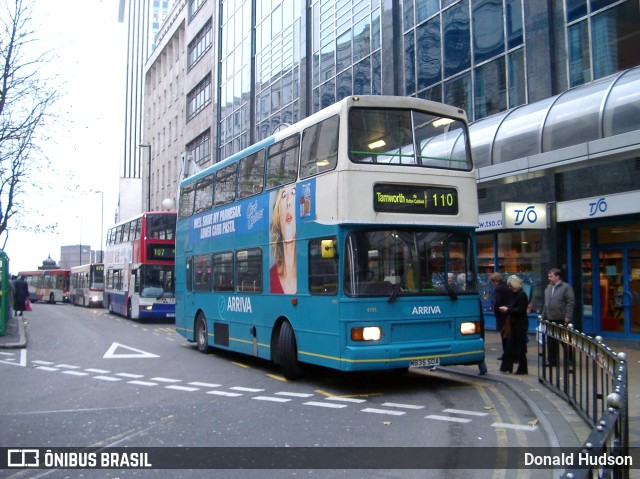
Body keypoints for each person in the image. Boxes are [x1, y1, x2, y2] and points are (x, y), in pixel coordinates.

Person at [541, 268, 575, 366]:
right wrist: (544, 315)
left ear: (557, 277)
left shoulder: (566, 287)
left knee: (565, 341)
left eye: (551, 276)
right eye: (548, 276)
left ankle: (569, 359)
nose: (549, 278)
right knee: (551, 341)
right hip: (550, 317)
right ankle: (552, 360)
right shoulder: (548, 288)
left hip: (561, 317)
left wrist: (568, 315)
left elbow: (570, 302)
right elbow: (546, 303)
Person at [499, 275, 529, 375]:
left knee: (520, 347)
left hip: (520, 324)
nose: (509, 288)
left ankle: (522, 368)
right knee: (510, 345)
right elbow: (512, 306)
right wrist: (507, 308)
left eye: (510, 286)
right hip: (513, 323)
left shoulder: (522, 295)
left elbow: (520, 310)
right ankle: (507, 367)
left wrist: (507, 309)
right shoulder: (515, 295)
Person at [270, 184, 297, 294]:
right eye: (284, 195)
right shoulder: (270, 279)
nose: (288, 203)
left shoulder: (312, 277)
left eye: (294, 192)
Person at [490, 272, 514, 360]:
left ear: (494, 281)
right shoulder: (507, 286)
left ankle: (506, 354)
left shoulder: (498, 289)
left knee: (504, 335)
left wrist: (496, 312)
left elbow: (497, 303)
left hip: (502, 315)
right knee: (509, 335)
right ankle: (511, 354)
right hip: (509, 313)